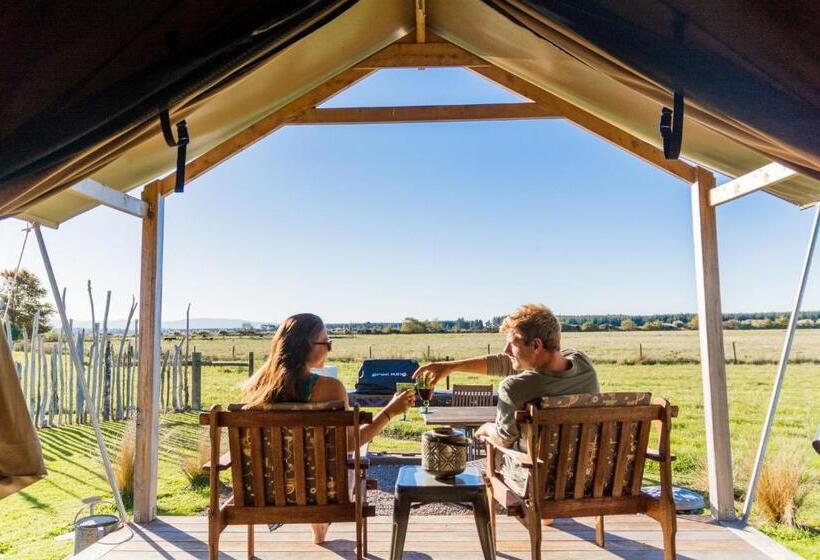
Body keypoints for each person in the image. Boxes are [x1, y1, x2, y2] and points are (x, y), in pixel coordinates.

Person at [241, 313, 414, 544]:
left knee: (301, 455)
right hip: (324, 489)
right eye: (327, 343)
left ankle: (318, 527)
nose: (330, 349)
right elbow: (351, 443)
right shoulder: (331, 389)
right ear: (306, 347)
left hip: (269, 489)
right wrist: (391, 411)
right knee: (331, 457)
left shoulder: (255, 389)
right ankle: (320, 520)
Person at [414, 303, 599, 450]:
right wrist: (451, 366)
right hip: (586, 479)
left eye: (512, 344)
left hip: (536, 483)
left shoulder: (514, 388)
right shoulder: (583, 363)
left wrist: (486, 428)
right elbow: (508, 362)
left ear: (536, 345)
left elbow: (504, 440)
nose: (506, 350)